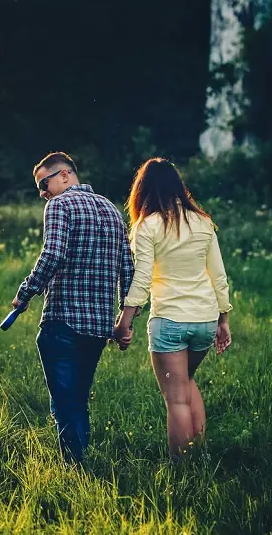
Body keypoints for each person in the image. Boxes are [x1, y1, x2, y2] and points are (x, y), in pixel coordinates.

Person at [12, 152, 135, 465]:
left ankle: (74, 466)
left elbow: (52, 254)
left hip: (63, 323)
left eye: (44, 183)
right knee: (77, 399)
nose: (42, 193)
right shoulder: (112, 210)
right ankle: (80, 462)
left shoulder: (60, 205)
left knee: (65, 404)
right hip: (98, 328)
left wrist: (25, 294)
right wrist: (125, 322)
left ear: (65, 174)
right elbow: (129, 271)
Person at [113, 158, 232, 460]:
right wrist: (223, 319)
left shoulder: (147, 226)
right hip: (205, 319)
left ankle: (183, 470)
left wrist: (124, 322)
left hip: (169, 321)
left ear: (143, 191)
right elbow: (218, 275)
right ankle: (200, 455)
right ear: (178, 186)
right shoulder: (202, 222)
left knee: (176, 399)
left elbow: (141, 279)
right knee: (187, 382)